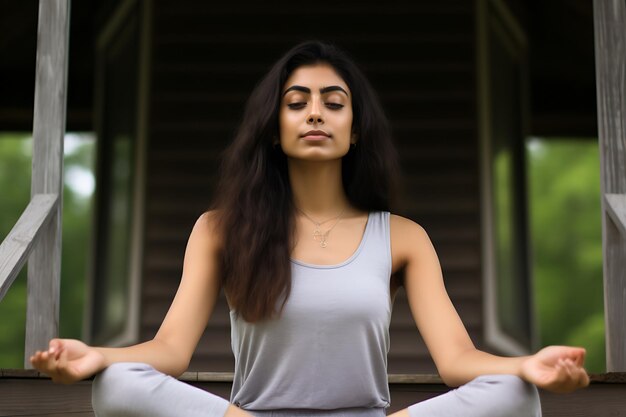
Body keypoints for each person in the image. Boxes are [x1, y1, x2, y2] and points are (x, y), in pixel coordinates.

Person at [30, 40, 589, 417]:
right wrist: (98, 355)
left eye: (333, 102)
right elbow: (171, 350)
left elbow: (456, 362)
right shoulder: (220, 229)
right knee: (119, 386)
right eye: (296, 103)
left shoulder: (402, 236)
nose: (315, 114)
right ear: (274, 129)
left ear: (356, 129)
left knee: (517, 396)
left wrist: (528, 364)